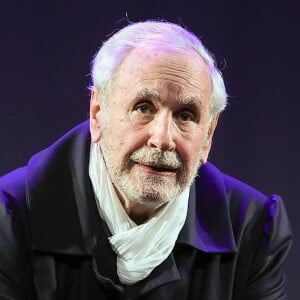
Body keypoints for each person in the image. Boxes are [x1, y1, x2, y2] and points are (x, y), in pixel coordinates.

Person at [0, 20, 292, 300]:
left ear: (208, 135)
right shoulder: (11, 217)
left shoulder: (251, 227)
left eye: (186, 116)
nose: (163, 139)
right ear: (98, 113)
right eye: (143, 108)